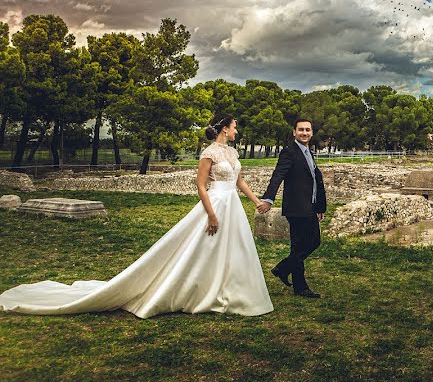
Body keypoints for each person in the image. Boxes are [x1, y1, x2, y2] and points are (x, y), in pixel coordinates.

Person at [0, 115, 274, 319]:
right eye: (235, 126)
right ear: (225, 128)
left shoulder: (234, 152)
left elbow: (240, 182)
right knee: (202, 247)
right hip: (215, 203)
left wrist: (257, 201)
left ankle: (229, 290)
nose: (237, 130)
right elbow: (201, 186)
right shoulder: (210, 152)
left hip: (233, 205)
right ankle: (196, 291)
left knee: (233, 249)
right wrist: (211, 215)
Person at [258, 117, 326, 298]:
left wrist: (320, 207)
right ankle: (285, 270)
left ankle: (297, 283)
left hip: (310, 206)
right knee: (311, 242)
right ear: (294, 132)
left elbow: (315, 181)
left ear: (311, 133)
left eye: (308, 130)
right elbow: (277, 176)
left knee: (300, 246)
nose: (305, 133)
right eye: (301, 130)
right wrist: (268, 199)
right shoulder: (289, 152)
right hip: (296, 207)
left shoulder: (308, 152)